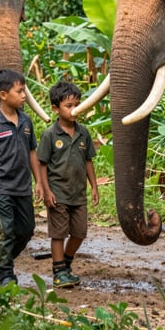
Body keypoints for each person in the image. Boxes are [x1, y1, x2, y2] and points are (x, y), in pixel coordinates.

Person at [0, 68, 42, 286]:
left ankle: (2, 260)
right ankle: (6, 274)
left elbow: (33, 152)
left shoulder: (26, 122)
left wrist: (39, 181)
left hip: (22, 186)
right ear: (3, 95)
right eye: (19, 91)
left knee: (25, 230)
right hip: (0, 187)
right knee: (4, 231)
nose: (24, 95)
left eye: (24, 91)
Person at [37, 80, 99, 288]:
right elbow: (42, 165)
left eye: (77, 104)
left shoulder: (83, 133)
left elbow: (88, 161)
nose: (74, 110)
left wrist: (94, 187)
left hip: (78, 193)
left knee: (80, 232)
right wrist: (46, 190)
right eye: (69, 106)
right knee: (58, 233)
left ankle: (66, 261)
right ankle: (58, 271)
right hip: (58, 193)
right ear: (56, 108)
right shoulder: (50, 135)